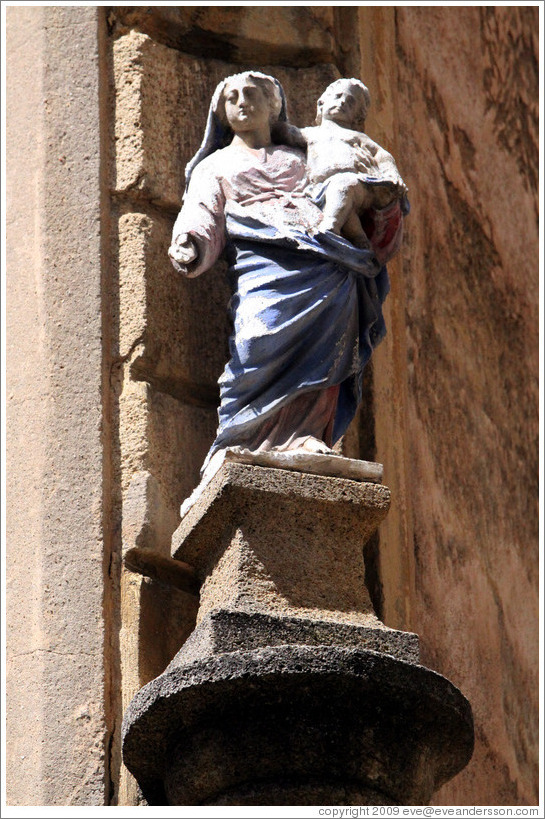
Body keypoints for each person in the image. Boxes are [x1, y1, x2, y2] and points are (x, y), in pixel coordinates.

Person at [169, 71, 405, 485]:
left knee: (327, 342)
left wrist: (377, 203)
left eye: (253, 94)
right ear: (222, 112)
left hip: (326, 259)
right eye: (232, 98)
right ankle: (240, 438)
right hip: (265, 262)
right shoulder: (216, 164)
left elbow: (348, 189)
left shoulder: (302, 156)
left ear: (274, 104)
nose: (242, 102)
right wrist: (190, 243)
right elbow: (201, 211)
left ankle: (305, 436)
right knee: (259, 336)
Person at [273, 78, 409, 254]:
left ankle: (330, 227)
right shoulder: (310, 134)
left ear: (357, 116)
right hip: (321, 187)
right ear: (321, 102)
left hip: (359, 184)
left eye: (351, 102)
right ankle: (358, 237)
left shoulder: (355, 137)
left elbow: (381, 155)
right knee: (340, 203)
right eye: (337, 96)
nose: (343, 101)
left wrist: (392, 173)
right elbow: (286, 133)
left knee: (344, 187)